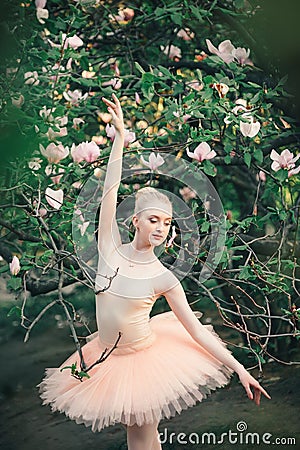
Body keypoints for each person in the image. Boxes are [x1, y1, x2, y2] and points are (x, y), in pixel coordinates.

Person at [38, 93, 271, 450]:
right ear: (135, 221)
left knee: (142, 435)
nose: (161, 228)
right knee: (141, 436)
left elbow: (197, 330)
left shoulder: (164, 276)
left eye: (166, 222)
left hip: (143, 361)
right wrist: (119, 139)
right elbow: (110, 191)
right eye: (153, 220)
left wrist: (240, 369)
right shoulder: (108, 251)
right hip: (107, 356)